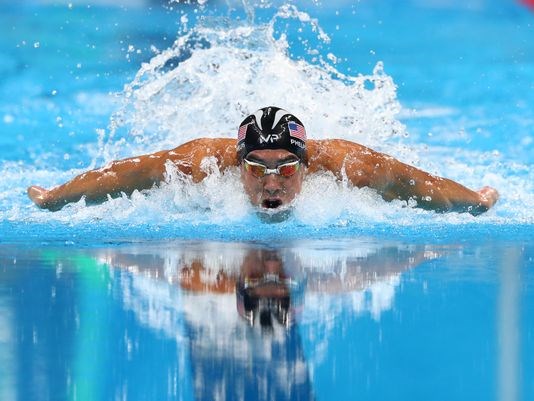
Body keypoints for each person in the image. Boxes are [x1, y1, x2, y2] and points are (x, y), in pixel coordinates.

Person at [27, 106, 499, 215]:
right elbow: (127, 173)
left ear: (306, 166)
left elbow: (417, 182)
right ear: (238, 166)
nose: (271, 184)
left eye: (286, 169)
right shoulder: (200, 164)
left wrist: (475, 201)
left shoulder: (350, 166)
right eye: (256, 168)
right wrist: (54, 198)